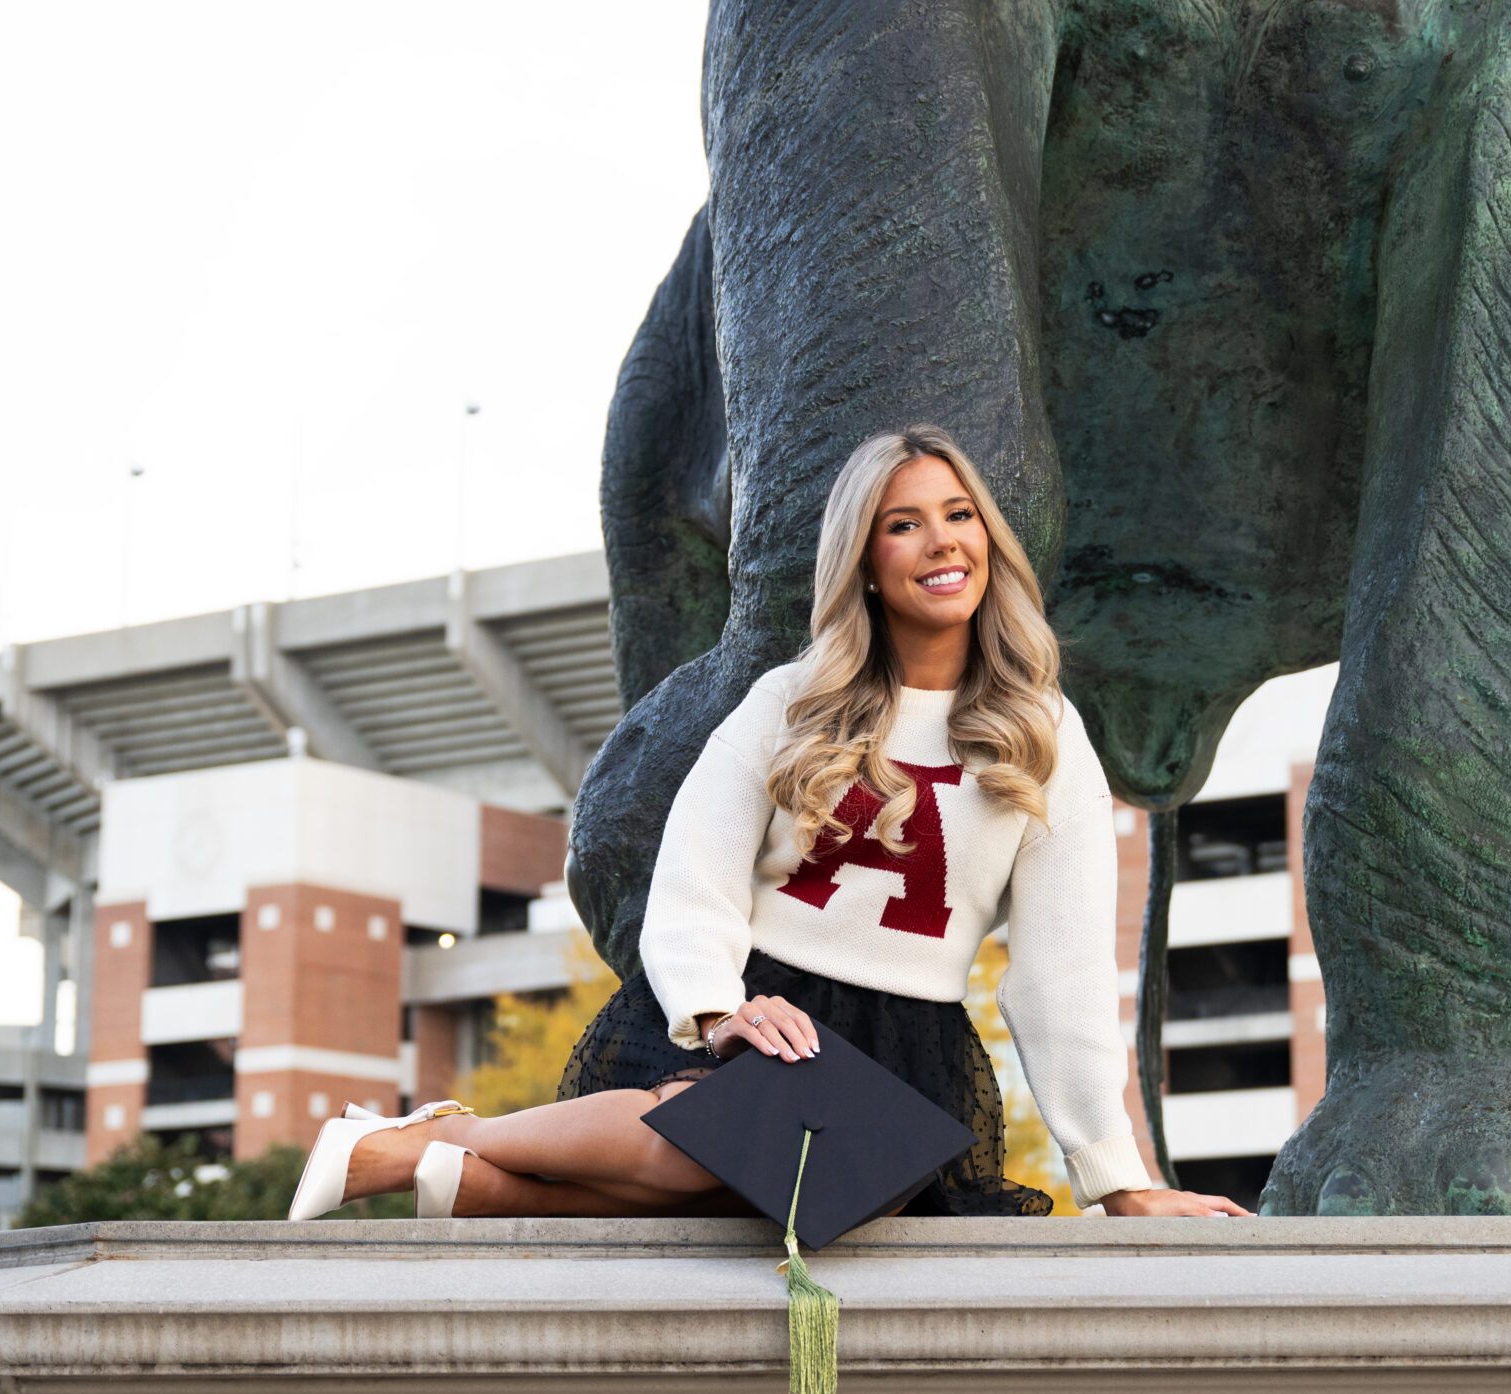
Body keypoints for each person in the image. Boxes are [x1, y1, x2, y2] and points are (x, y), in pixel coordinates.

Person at [289, 425, 1251, 1222]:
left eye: (960, 517)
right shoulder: (791, 701)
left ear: (991, 541)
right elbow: (695, 873)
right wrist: (718, 1008)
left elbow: (1063, 977)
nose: (942, 542)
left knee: (707, 1203)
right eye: (903, 525)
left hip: (906, 1048)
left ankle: (424, 1161)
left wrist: (1118, 1179)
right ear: (866, 564)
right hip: (762, 1012)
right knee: (702, 1159)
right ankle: (443, 1137)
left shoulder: (1043, 734)